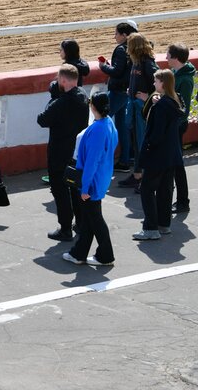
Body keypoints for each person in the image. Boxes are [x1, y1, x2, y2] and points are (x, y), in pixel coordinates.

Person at [62, 93, 118, 267]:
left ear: (93, 107)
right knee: (89, 218)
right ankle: (79, 253)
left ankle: (105, 255)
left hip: (92, 181)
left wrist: (85, 188)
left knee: (95, 219)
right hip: (101, 177)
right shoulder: (108, 123)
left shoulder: (97, 129)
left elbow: (92, 161)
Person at [36, 64, 90, 241]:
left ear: (64, 80)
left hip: (59, 152)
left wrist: (54, 98)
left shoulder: (61, 103)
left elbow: (42, 119)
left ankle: (65, 228)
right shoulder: (82, 95)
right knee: (75, 187)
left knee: (60, 190)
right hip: (77, 151)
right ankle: (81, 223)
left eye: (59, 79)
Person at [132, 70, 184, 241]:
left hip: (157, 155)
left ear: (163, 83)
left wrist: (147, 149)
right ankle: (163, 224)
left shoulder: (161, 106)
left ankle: (150, 228)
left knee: (147, 189)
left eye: (156, 81)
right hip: (171, 155)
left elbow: (155, 134)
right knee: (165, 190)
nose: (154, 84)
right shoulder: (174, 102)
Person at [118, 32, 159, 191]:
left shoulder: (147, 63)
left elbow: (161, 82)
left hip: (142, 111)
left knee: (142, 144)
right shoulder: (136, 62)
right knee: (136, 143)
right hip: (135, 109)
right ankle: (137, 175)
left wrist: (148, 96)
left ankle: (146, 179)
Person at [98, 20, 136, 174]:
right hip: (126, 92)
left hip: (117, 92)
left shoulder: (121, 49)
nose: (115, 37)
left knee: (99, 121)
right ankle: (125, 160)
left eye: (116, 34)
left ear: (124, 35)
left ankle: (99, 159)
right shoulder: (133, 48)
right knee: (122, 127)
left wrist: (104, 67)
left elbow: (117, 72)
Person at [166, 44, 196, 214]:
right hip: (173, 124)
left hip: (176, 125)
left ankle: (183, 201)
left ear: (176, 58)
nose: (166, 58)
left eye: (168, 55)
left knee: (177, 164)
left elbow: (182, 108)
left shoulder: (184, 80)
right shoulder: (176, 73)